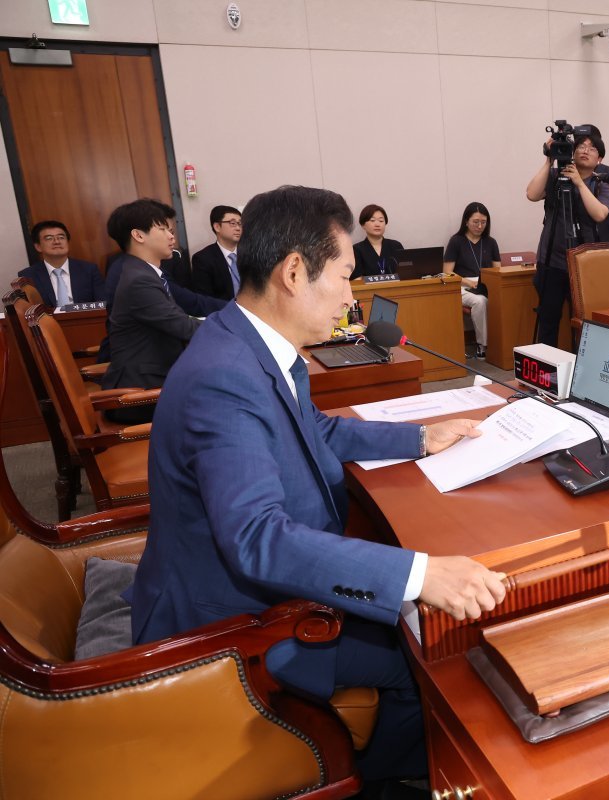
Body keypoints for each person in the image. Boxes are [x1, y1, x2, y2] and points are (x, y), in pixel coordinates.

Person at [125, 185, 506, 788]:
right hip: (225, 624)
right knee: (425, 659)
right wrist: (419, 574)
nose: (352, 297)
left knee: (408, 619)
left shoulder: (255, 344)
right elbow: (257, 539)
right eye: (346, 276)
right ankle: (373, 783)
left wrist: (419, 438)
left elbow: (315, 431)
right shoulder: (225, 377)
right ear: (295, 272)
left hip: (249, 588)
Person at [101, 199, 204, 424]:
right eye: (163, 229)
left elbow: (177, 320)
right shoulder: (139, 281)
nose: (171, 235)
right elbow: (184, 327)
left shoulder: (142, 273)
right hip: (141, 393)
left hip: (152, 378)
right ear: (138, 236)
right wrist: (238, 325)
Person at [526, 127, 609, 346]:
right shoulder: (556, 176)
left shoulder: (603, 184)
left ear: (599, 158)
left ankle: (581, 371)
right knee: (548, 320)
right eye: (580, 146)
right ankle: (547, 375)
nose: (585, 150)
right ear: (572, 153)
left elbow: (600, 213)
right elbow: (532, 194)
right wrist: (549, 160)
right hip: (552, 262)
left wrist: (578, 183)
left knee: (583, 322)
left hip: (583, 266)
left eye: (592, 148)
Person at [443, 202, 500, 359]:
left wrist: (486, 283)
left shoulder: (491, 242)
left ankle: (504, 343)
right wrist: (469, 283)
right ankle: (483, 345)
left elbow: (497, 270)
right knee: (480, 301)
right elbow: (447, 272)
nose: (480, 226)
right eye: (476, 222)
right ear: (466, 221)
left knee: (503, 297)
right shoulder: (456, 241)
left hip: (485, 284)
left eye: (483, 222)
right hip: (462, 285)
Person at [17, 219, 104, 307]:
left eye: (61, 237)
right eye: (49, 238)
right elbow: (28, 311)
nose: (57, 242)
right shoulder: (27, 276)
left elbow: (102, 304)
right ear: (38, 246)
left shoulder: (89, 270)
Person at [576, 123, 609, 242]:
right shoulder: (569, 171)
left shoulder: (608, 172)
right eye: (582, 145)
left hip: (604, 233)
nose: (586, 150)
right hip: (577, 234)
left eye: (591, 145)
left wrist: (607, 188)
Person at [190, 205, 243, 300]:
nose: (238, 228)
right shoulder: (203, 259)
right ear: (217, 227)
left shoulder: (250, 254)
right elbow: (205, 299)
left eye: (240, 223)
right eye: (233, 223)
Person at [351, 204, 406, 279]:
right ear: (363, 225)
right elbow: (356, 279)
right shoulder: (356, 249)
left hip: (396, 289)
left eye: (381, 221)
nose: (377, 224)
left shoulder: (396, 246)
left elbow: (406, 272)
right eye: (372, 220)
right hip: (370, 290)